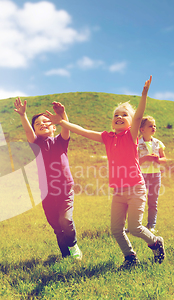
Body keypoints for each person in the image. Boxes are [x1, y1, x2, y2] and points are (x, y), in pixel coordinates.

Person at [45, 76, 165, 267]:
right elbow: (82, 130)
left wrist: (144, 95)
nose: (119, 117)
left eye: (124, 115)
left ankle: (156, 242)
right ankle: (130, 257)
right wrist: (62, 122)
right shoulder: (107, 137)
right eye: (116, 114)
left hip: (136, 189)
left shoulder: (131, 135)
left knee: (134, 227)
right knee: (116, 229)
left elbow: (139, 114)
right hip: (118, 191)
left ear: (131, 121)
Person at [13, 97, 82, 260]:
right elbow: (28, 133)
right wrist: (23, 116)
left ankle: (73, 246)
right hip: (46, 193)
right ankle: (65, 256)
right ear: (35, 130)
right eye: (37, 124)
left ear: (54, 126)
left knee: (65, 220)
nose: (42, 124)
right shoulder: (36, 144)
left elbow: (66, 129)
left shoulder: (60, 141)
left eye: (46, 121)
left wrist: (63, 115)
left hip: (64, 190)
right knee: (56, 227)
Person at [138, 116, 166, 233]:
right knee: (139, 201)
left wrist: (158, 160)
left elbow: (164, 158)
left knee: (153, 201)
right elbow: (135, 161)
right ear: (142, 129)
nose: (153, 127)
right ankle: (136, 225)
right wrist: (146, 158)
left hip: (155, 175)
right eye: (150, 126)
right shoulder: (137, 144)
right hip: (141, 176)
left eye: (154, 126)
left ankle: (151, 226)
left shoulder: (158, 143)